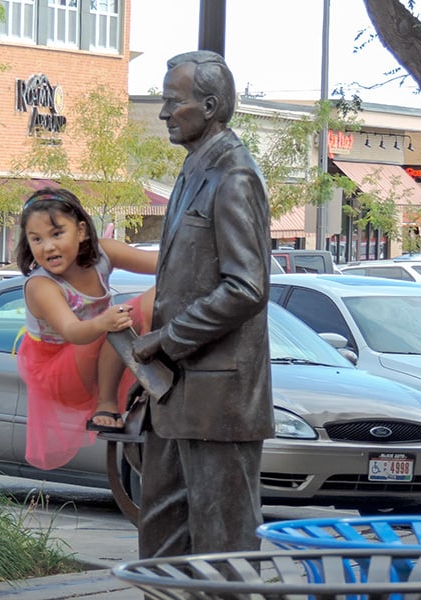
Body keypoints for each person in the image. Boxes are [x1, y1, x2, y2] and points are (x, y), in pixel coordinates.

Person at [131, 50, 274, 557]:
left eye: (174, 101)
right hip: (176, 398)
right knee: (163, 540)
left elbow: (247, 287)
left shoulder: (234, 176)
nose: (165, 112)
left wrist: (168, 339)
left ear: (210, 106)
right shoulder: (196, 171)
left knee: (226, 551)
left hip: (219, 402)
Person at [15, 187, 157, 470]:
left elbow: (167, 265)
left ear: (81, 231)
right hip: (59, 368)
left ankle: (158, 356)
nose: (48, 247)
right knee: (120, 319)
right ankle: (106, 403)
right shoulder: (41, 285)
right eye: (37, 239)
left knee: (163, 293)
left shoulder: (105, 253)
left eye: (57, 234)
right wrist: (104, 320)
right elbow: (72, 331)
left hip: (99, 352)